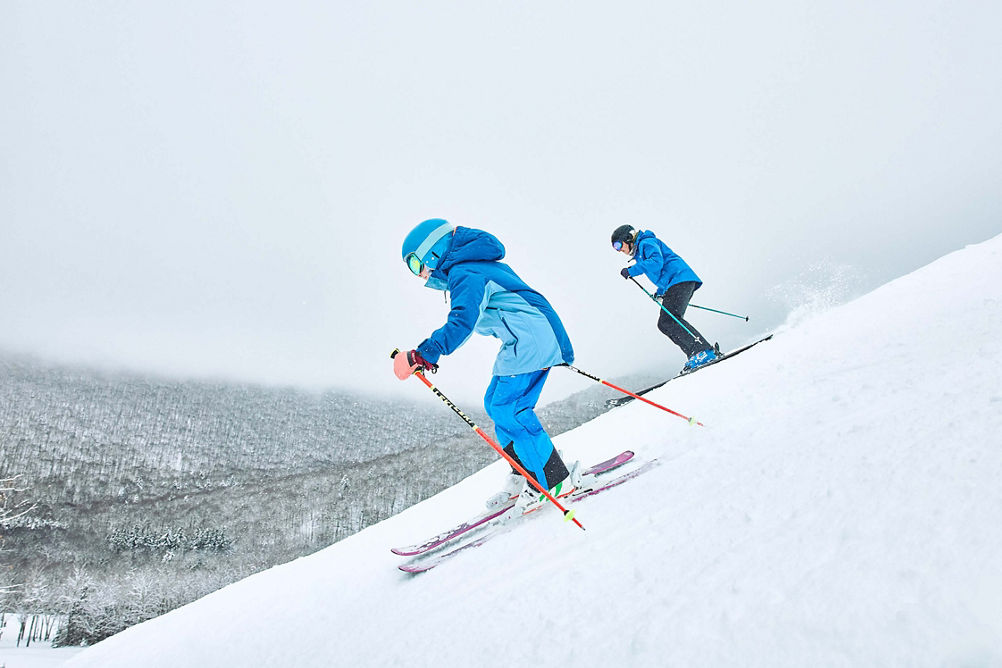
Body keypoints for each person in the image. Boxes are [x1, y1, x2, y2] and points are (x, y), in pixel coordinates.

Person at [395, 218, 583, 511]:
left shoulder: (466, 272)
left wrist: (423, 354)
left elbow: (463, 320)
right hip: (524, 340)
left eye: (417, 264)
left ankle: (553, 478)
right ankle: (526, 472)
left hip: (533, 339)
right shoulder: (470, 267)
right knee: (495, 403)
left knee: (509, 409)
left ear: (434, 251)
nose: (419, 274)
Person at [611, 224, 718, 373]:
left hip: (680, 279)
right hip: (677, 281)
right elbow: (663, 271)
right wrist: (660, 291)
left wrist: (632, 270)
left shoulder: (646, 243)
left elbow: (657, 263)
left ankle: (702, 351)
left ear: (627, 238)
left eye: (618, 245)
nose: (619, 250)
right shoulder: (641, 252)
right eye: (615, 248)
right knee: (665, 323)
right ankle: (696, 354)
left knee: (668, 320)